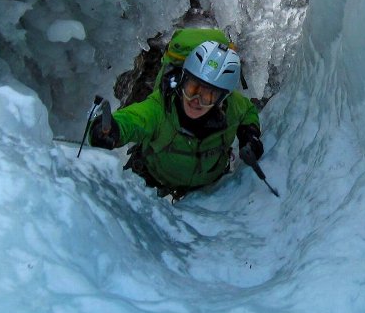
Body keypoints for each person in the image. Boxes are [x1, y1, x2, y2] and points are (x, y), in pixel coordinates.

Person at [89, 39, 263, 202]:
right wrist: (110, 129)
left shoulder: (232, 106)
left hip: (208, 190)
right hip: (154, 181)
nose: (195, 99)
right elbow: (135, 118)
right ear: (182, 80)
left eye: (208, 95)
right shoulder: (161, 107)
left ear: (222, 99)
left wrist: (249, 135)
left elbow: (248, 111)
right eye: (192, 87)